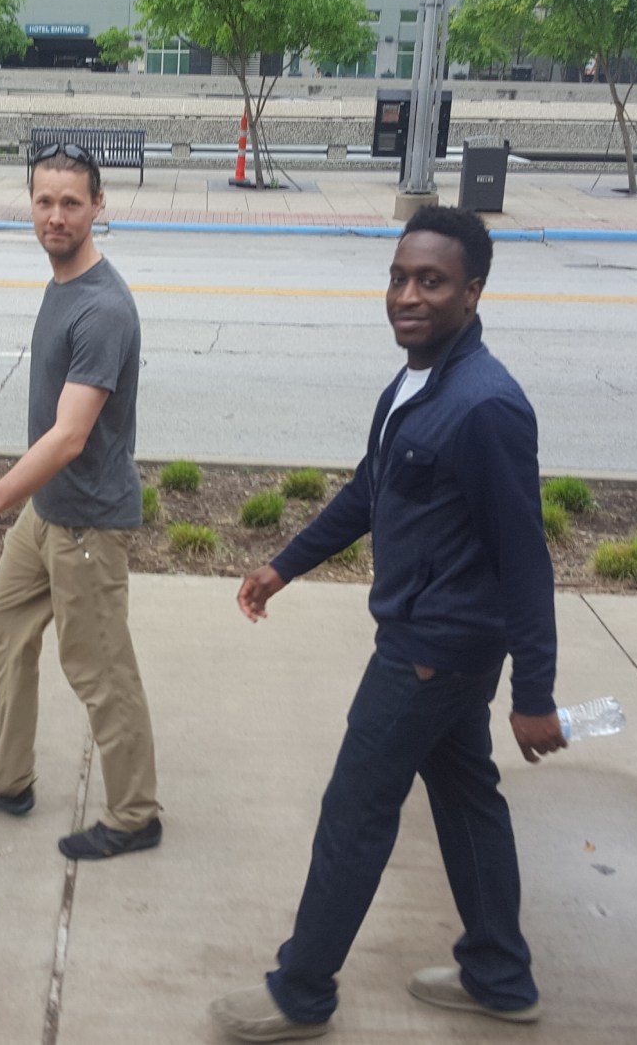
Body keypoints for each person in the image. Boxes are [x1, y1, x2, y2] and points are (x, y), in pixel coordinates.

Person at [210, 206, 564, 1041]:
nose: (408, 296)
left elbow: (525, 558)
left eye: (431, 281)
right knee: (467, 801)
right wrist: (285, 565)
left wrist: (535, 694)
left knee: (356, 811)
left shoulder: (485, 407)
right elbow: (371, 490)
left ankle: (301, 992)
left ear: (472, 293)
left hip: (429, 652)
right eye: (399, 278)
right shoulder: (417, 383)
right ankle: (500, 978)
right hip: (442, 647)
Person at [0, 143, 161, 861]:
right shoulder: (64, 282)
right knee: (3, 623)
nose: (55, 216)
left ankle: (135, 816)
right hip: (48, 513)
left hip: (87, 522)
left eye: (70, 203)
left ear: (98, 206)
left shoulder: (102, 309)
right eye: (44, 201)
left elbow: (68, 437)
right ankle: (9, 778)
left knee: (100, 671)